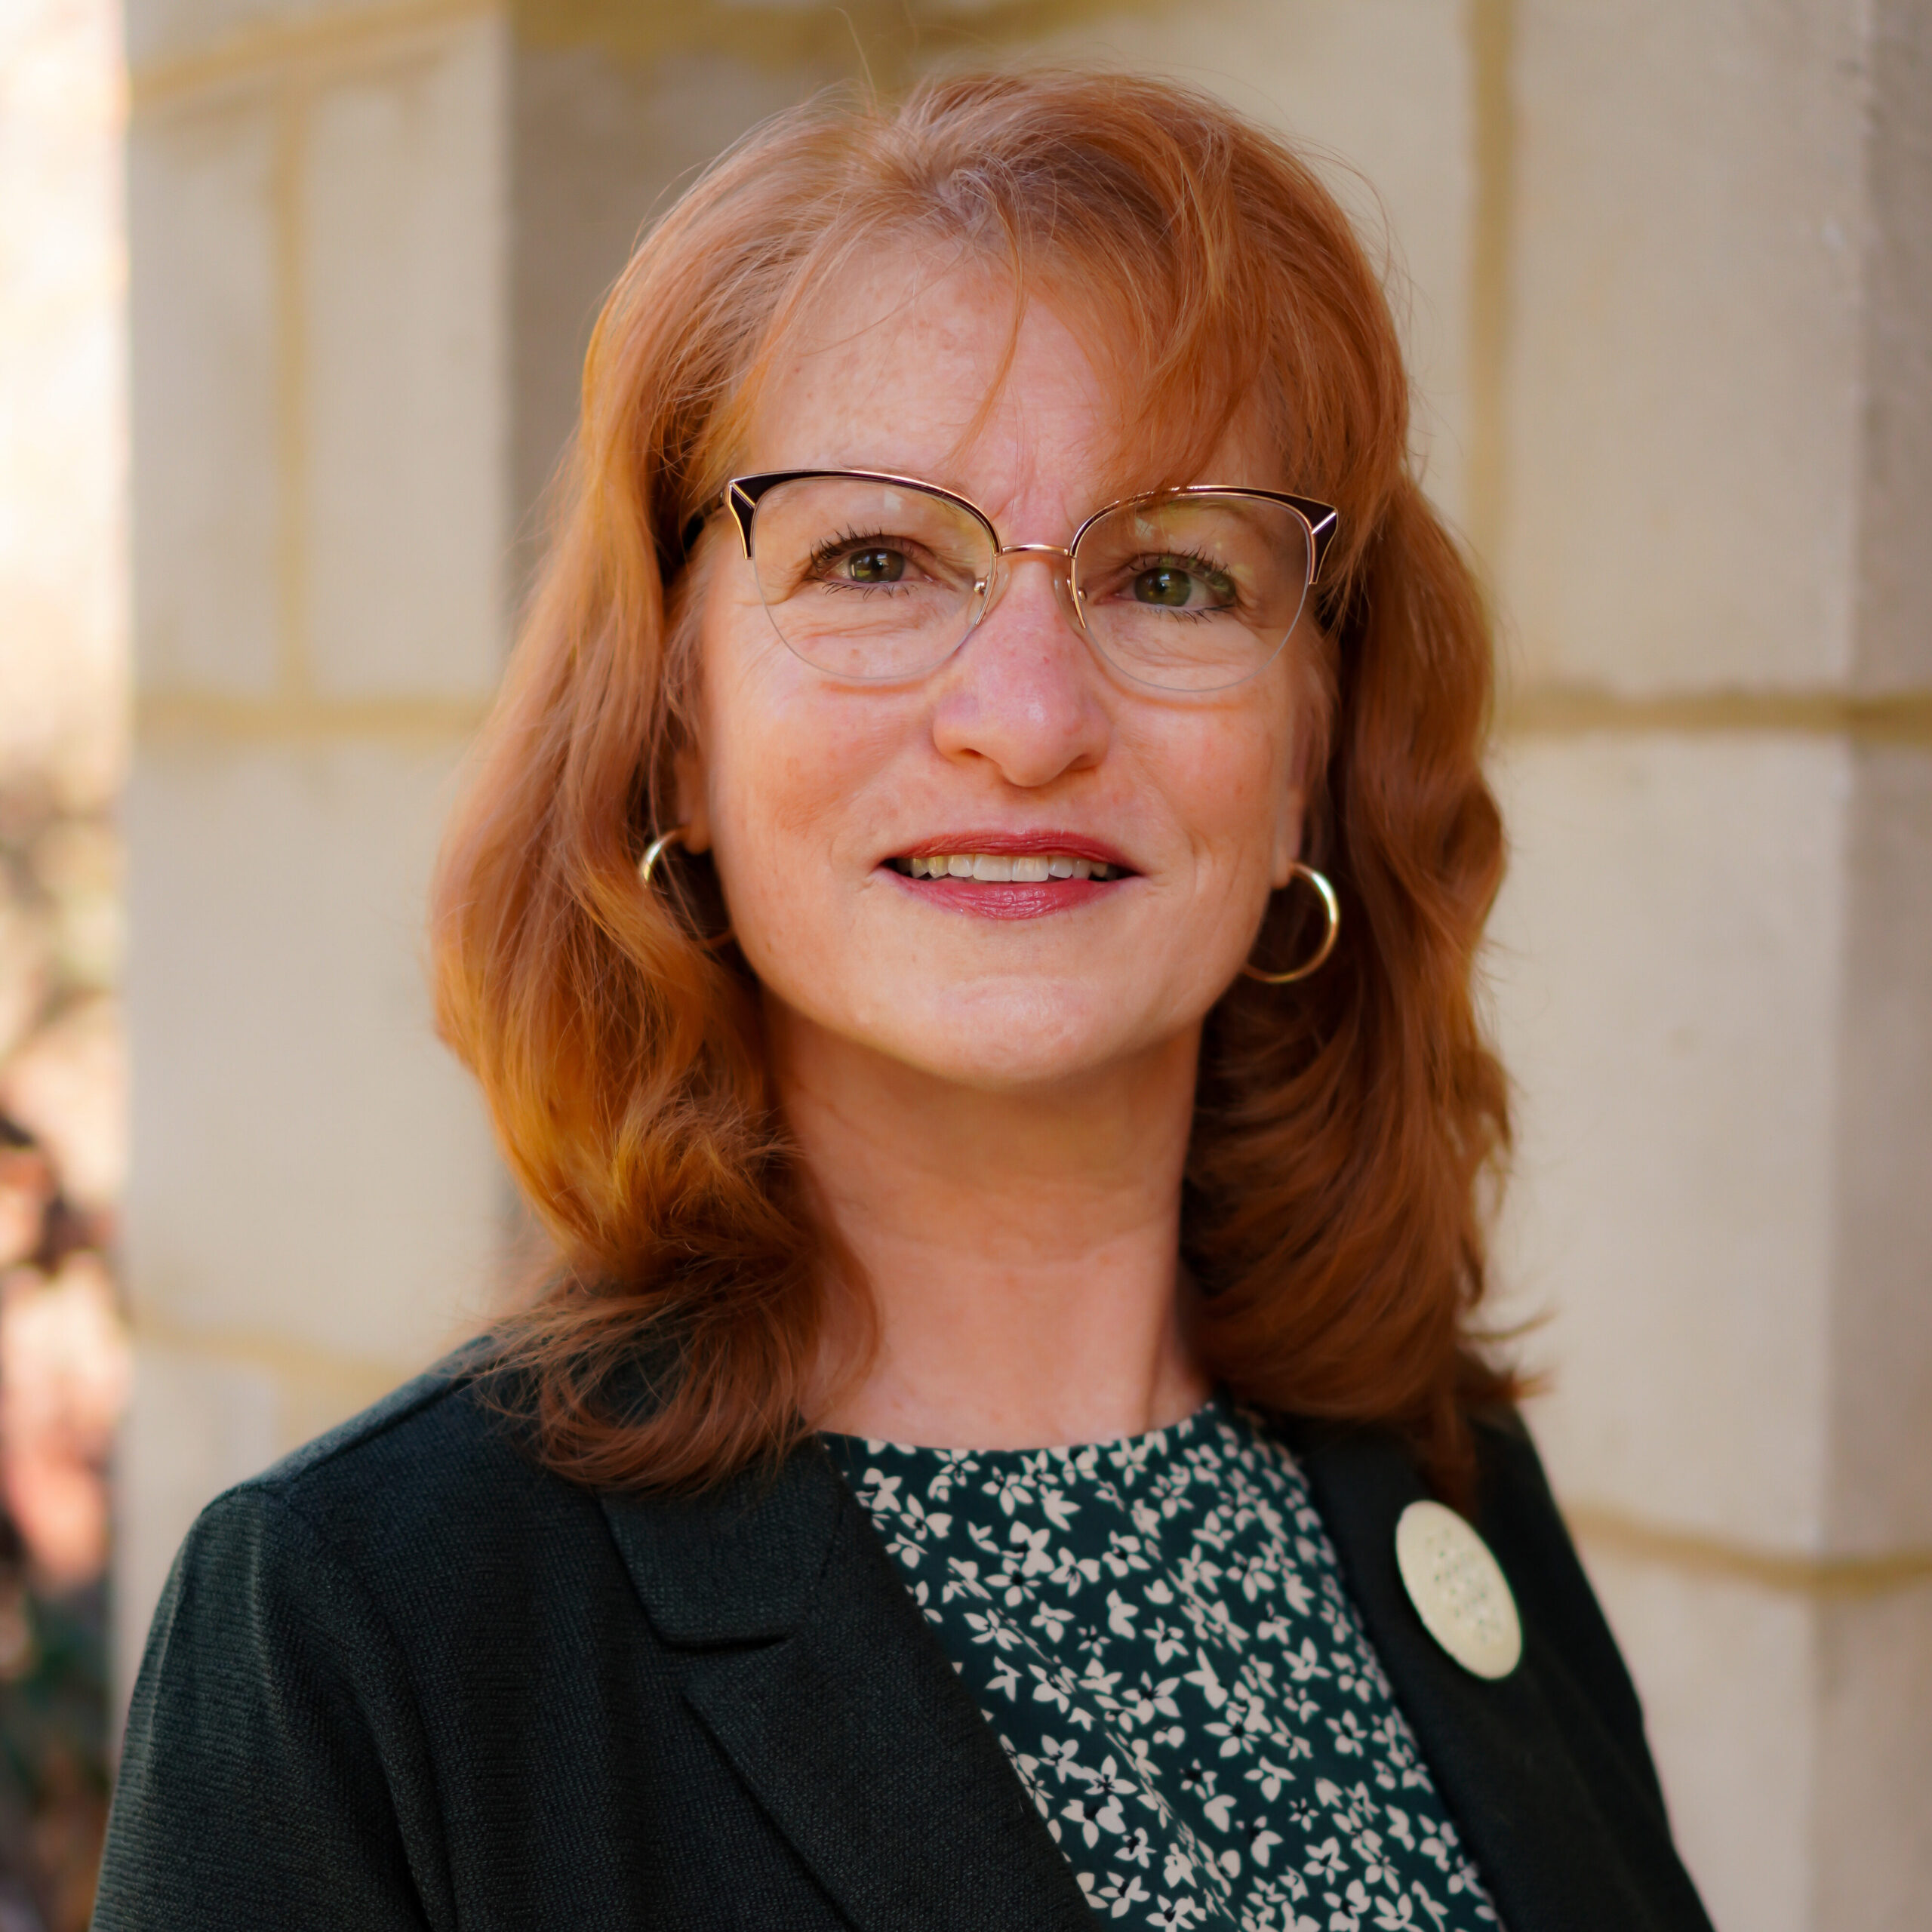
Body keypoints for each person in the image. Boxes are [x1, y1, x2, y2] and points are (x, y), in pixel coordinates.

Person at [93, 71, 1714, 1932]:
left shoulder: (1437, 1470)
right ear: (672, 724)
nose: (1025, 715)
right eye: (873, 558)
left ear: (1306, 763)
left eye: (1173, 573)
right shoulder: (367, 1623)